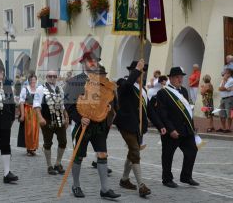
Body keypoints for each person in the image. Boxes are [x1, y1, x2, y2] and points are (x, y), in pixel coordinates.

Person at [64, 52, 120, 199]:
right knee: (79, 156)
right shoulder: (75, 81)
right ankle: (76, 185)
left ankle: (105, 189)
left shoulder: (102, 81)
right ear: (83, 63)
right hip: (82, 125)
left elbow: (109, 100)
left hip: (99, 125)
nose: (93, 63)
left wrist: (108, 110)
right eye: (90, 61)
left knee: (102, 154)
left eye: (95, 61)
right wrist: (79, 118)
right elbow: (68, 103)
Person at [114, 59, 151, 198]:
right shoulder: (123, 82)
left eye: (143, 72)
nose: (142, 75)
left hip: (138, 126)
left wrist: (160, 125)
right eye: (140, 72)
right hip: (126, 124)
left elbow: (148, 110)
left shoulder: (143, 89)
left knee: (132, 151)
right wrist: (137, 70)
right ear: (132, 71)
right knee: (135, 151)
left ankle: (124, 179)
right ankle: (141, 185)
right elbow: (127, 86)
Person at [157, 66, 199, 188]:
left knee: (192, 150)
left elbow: (188, 110)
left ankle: (186, 177)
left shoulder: (184, 91)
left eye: (181, 77)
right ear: (170, 78)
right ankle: (167, 179)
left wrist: (192, 126)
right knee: (168, 155)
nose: (180, 79)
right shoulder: (163, 93)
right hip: (173, 130)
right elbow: (163, 114)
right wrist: (171, 129)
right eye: (177, 77)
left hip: (186, 129)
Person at [34, 70, 68, 175]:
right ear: (46, 77)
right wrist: (40, 118)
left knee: (63, 141)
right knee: (47, 143)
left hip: (59, 119)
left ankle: (58, 163)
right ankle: (49, 165)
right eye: (50, 76)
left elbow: (62, 105)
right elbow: (36, 104)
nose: (52, 78)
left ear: (57, 77)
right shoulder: (40, 88)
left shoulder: (60, 89)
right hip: (47, 120)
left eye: (54, 76)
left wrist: (66, 117)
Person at [17, 73, 39, 156]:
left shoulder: (38, 89)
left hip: (36, 111)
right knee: (29, 130)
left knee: (35, 130)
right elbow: (21, 102)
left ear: (36, 80)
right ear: (29, 81)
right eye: (31, 80)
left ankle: (33, 148)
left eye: (34, 80)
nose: (33, 81)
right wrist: (22, 115)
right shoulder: (25, 89)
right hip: (28, 111)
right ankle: (29, 148)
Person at [217, 68, 233, 133]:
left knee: (229, 114)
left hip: (229, 99)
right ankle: (224, 128)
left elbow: (223, 88)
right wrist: (223, 81)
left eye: (225, 73)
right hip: (222, 99)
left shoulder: (231, 80)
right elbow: (219, 88)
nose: (224, 74)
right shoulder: (223, 79)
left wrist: (224, 88)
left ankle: (228, 128)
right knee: (221, 114)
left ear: (229, 74)